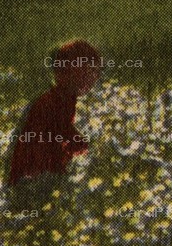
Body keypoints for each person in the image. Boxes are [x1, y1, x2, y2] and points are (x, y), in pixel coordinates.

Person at [6, 39, 103, 220]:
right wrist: (81, 145)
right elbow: (62, 130)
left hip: (38, 168)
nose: (94, 77)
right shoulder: (54, 100)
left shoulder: (62, 97)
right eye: (89, 71)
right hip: (34, 172)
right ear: (67, 73)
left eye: (95, 71)